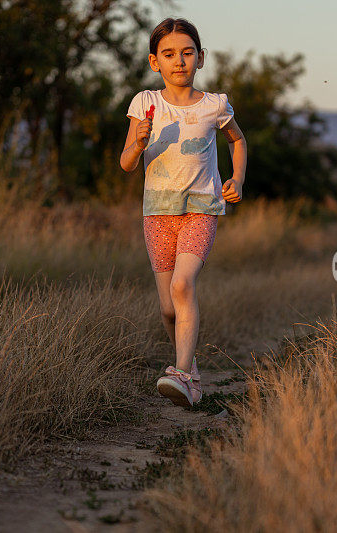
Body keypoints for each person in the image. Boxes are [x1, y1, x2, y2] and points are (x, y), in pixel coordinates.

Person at [119, 17, 248, 408]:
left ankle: (184, 376)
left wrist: (237, 179)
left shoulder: (215, 105)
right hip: (157, 212)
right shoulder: (145, 103)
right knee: (167, 308)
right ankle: (187, 366)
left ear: (201, 58)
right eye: (169, 54)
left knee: (182, 286)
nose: (180, 61)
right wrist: (139, 144)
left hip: (202, 207)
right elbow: (125, 163)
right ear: (154, 61)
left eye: (188, 53)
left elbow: (237, 140)